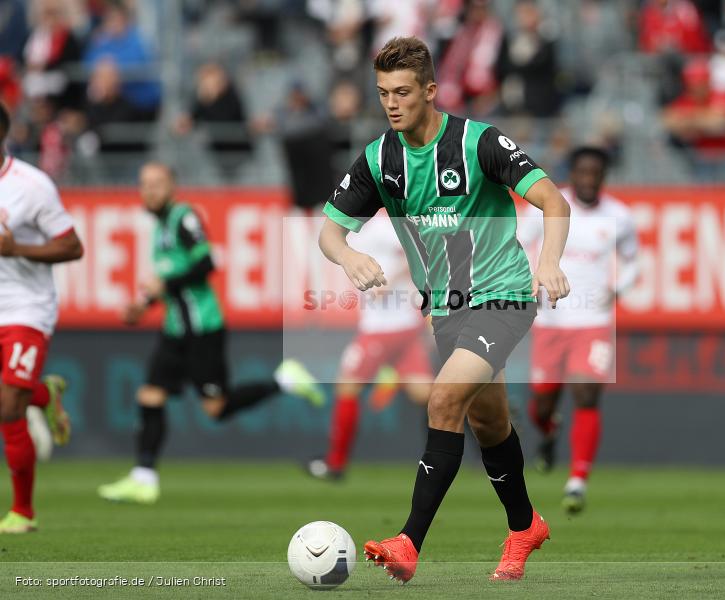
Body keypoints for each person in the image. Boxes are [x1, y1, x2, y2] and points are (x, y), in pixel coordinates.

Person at [318, 36, 570, 583]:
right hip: (447, 311)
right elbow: (329, 233)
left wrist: (548, 263)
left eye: (403, 91)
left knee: (443, 399)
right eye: (383, 92)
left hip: (503, 295)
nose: (391, 102)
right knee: (489, 422)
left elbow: (553, 200)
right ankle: (525, 525)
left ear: (430, 90)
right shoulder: (379, 159)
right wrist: (348, 255)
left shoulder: (478, 142)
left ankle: (408, 542)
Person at [97, 162, 324, 505]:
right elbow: (171, 282)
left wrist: (163, 285)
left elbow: (206, 264)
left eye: (157, 183)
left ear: (172, 185)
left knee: (216, 408)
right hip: (175, 330)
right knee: (150, 396)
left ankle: (285, 381)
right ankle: (144, 477)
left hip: (203, 330)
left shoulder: (183, 218)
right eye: (145, 184)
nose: (150, 190)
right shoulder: (158, 228)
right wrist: (144, 303)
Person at [519, 147, 639, 515]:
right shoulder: (547, 206)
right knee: (542, 403)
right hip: (551, 320)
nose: (588, 180)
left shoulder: (619, 216)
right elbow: (518, 243)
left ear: (604, 176)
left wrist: (617, 288)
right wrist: (528, 282)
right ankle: (550, 431)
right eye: (582, 173)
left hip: (593, 322)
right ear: (572, 174)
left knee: (586, 394)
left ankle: (577, 481)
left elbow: (634, 260)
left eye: (595, 173)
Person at [0, 101, 83, 533]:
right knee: (6, 400)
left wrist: (18, 250)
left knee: (8, 407)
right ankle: (44, 396)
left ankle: (23, 513)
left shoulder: (31, 186)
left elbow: (72, 246)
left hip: (25, 306)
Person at [307, 212, 433, 481]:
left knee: (347, 386)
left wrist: (388, 280)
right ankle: (464, 436)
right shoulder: (371, 227)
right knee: (426, 394)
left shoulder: (384, 225)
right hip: (403, 327)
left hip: (384, 328)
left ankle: (335, 463)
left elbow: (420, 255)